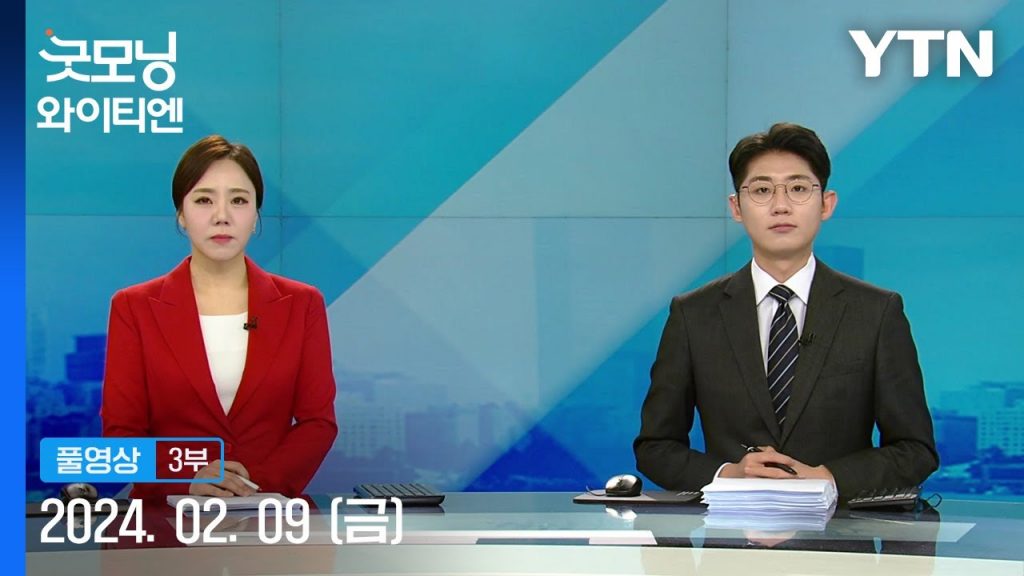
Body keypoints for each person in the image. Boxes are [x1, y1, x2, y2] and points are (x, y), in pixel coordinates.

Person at [633, 122, 938, 501]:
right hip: (730, 532)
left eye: (798, 188)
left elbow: (915, 450)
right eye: (762, 190)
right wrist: (728, 474)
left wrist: (828, 478)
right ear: (736, 207)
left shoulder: (876, 312)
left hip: (841, 532)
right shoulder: (693, 314)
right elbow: (656, 447)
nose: (781, 205)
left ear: (826, 204)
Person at [101, 135, 338, 500]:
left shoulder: (302, 304)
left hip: (269, 512)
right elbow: (121, 434)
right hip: (168, 516)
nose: (222, 216)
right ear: (181, 214)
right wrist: (187, 479)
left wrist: (251, 486)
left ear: (256, 214)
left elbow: (317, 422)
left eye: (239, 200)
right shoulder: (134, 306)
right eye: (204, 200)